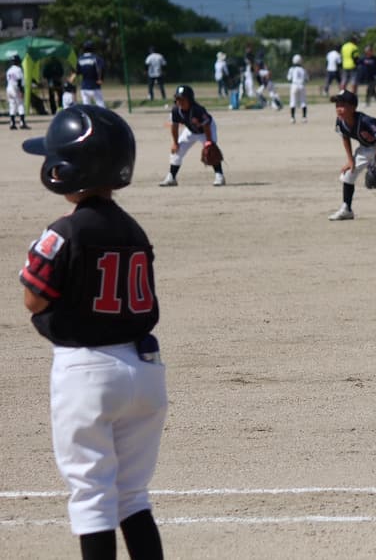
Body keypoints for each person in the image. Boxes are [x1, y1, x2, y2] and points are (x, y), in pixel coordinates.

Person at [19, 105, 167, 559]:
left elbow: (34, 297)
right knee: (132, 498)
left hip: (87, 372)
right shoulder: (134, 230)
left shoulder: (64, 231)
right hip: (144, 372)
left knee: (91, 499)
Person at [327, 89, 376, 222]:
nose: (338, 109)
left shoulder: (366, 121)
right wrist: (350, 161)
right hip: (365, 147)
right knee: (348, 174)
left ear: (353, 107)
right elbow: (345, 138)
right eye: (337, 105)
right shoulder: (340, 121)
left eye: (342, 105)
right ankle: (346, 209)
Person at [158, 85, 225, 187]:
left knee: (211, 150)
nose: (179, 101)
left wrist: (208, 141)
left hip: (206, 130)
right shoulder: (176, 110)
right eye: (177, 98)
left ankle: (219, 176)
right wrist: (175, 143)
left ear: (189, 99)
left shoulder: (198, 110)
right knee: (177, 150)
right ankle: (171, 177)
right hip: (191, 131)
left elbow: (206, 125)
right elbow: (174, 126)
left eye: (182, 98)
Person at [76, 41, 106, 108]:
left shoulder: (80, 59)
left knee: (87, 107)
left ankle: (88, 118)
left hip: (84, 87)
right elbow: (101, 68)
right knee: (100, 105)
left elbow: (78, 71)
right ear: (93, 48)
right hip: (94, 85)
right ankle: (102, 118)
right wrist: (100, 79)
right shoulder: (96, 58)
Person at [6, 53, 28, 129]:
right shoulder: (18, 69)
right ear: (18, 61)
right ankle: (22, 123)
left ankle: (12, 123)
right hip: (16, 88)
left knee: (12, 105)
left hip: (9, 88)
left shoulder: (9, 70)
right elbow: (19, 81)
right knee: (20, 104)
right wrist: (22, 91)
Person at [287, 54, 309, 123]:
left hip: (294, 85)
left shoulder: (292, 69)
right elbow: (307, 79)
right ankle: (304, 118)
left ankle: (292, 118)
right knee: (303, 102)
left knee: (293, 101)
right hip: (302, 85)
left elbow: (289, 78)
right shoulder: (303, 69)